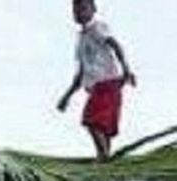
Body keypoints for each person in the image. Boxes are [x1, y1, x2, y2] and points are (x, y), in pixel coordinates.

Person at [57, 0, 136, 162]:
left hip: (107, 83)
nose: (78, 13)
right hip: (97, 87)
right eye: (75, 10)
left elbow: (115, 46)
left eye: (83, 8)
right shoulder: (81, 40)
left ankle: (103, 156)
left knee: (91, 120)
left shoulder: (98, 27)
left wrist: (126, 69)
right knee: (102, 125)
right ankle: (105, 158)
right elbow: (81, 74)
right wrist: (67, 96)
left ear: (93, 9)